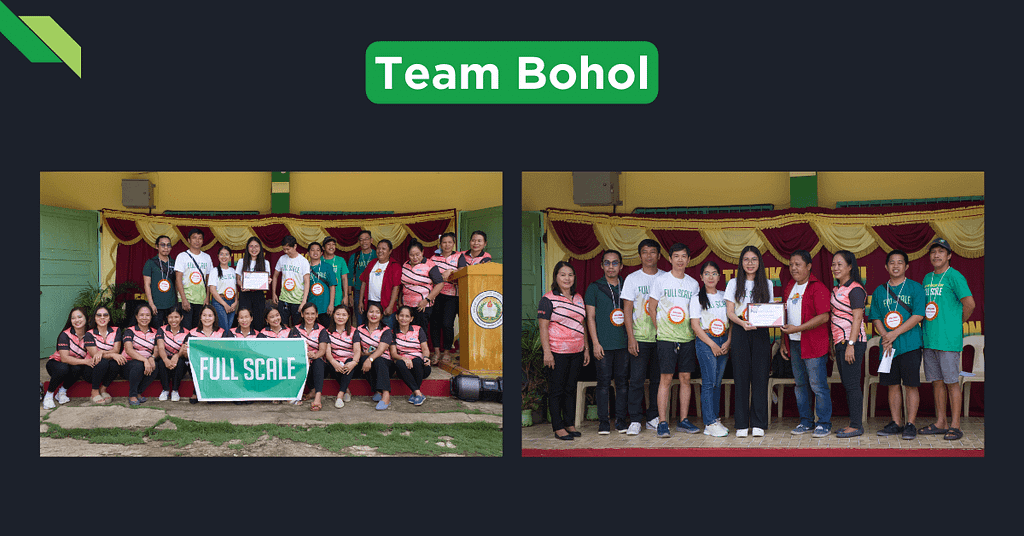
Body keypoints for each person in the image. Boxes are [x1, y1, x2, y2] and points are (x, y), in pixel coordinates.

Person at [918, 237, 975, 441]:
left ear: (949, 255)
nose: (936, 255)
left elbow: (969, 303)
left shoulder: (955, 276)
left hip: (948, 340)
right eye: (933, 252)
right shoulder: (927, 278)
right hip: (929, 339)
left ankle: (955, 425)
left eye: (941, 252)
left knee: (952, 382)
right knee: (937, 382)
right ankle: (941, 422)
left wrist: (954, 323)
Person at [868, 249, 927, 440]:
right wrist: (885, 336)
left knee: (910, 385)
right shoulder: (879, 291)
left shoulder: (915, 288)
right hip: (887, 347)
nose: (895, 266)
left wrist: (894, 333)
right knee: (892, 385)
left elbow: (918, 315)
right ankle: (896, 423)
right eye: (892, 262)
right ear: (886, 266)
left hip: (910, 344)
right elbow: (875, 317)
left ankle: (910, 424)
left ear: (906, 266)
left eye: (900, 262)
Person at [646, 243, 701, 438]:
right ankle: (662, 422)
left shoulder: (693, 284)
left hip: (687, 337)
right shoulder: (661, 281)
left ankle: (684, 420)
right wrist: (659, 328)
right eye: (676, 256)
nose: (679, 260)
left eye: (683, 256)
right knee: (666, 379)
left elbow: (695, 311)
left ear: (688, 260)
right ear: (669, 259)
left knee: (686, 379)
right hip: (666, 338)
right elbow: (651, 307)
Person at [780, 250, 833, 438]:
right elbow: (783, 316)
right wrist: (783, 341)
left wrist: (798, 329)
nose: (793, 268)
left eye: (798, 264)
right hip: (794, 344)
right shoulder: (789, 287)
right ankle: (806, 421)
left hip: (813, 344)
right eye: (791, 264)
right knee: (800, 385)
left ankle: (824, 423)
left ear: (809, 266)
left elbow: (824, 316)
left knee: (818, 385)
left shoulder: (817, 288)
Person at [725, 245, 774, 438]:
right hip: (740, 331)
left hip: (761, 332)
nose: (750, 263)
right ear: (741, 262)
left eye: (754, 259)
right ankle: (742, 424)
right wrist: (742, 323)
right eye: (746, 259)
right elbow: (730, 312)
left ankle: (759, 423)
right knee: (741, 377)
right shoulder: (733, 283)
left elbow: (769, 311)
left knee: (761, 377)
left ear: (759, 262)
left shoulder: (767, 283)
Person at [538, 261, 588, 441]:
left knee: (570, 389)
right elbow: (543, 328)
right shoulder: (548, 299)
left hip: (577, 351)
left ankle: (569, 423)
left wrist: (586, 349)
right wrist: (547, 352)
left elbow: (582, 324)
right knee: (556, 390)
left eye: (570, 275)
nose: (567, 278)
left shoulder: (579, 297)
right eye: (563, 274)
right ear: (556, 277)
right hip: (557, 351)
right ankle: (558, 427)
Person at [621, 239, 664, 436]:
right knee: (637, 380)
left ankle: (653, 418)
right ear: (640, 256)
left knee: (658, 380)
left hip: (662, 338)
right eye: (645, 252)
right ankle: (635, 420)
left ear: (659, 255)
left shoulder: (666, 278)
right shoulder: (632, 278)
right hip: (639, 337)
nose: (648, 255)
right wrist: (631, 337)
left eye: (652, 252)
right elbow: (627, 310)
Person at [585, 249, 629, 434]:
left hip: (625, 344)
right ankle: (604, 422)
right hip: (603, 344)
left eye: (615, 263)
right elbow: (590, 318)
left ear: (621, 265)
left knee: (622, 383)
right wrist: (595, 343)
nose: (611, 266)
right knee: (603, 383)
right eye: (607, 263)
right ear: (602, 265)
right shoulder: (594, 287)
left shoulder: (627, 286)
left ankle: (620, 421)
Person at [689, 260, 732, 437]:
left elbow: (732, 321)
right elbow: (695, 325)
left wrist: (728, 342)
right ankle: (709, 422)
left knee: (717, 381)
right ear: (701, 277)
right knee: (709, 381)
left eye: (714, 273)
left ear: (719, 276)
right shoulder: (696, 298)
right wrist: (712, 344)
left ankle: (714, 418)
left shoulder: (724, 296)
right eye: (707, 273)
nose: (710, 277)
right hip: (706, 340)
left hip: (723, 340)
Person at [829, 250, 868, 438]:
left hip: (853, 342)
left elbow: (858, 317)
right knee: (847, 383)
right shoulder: (837, 289)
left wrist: (851, 344)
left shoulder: (855, 289)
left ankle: (856, 425)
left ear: (850, 267)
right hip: (840, 342)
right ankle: (853, 423)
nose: (835, 268)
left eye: (840, 264)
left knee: (852, 384)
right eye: (833, 264)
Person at [182, 304, 234, 404]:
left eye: (210, 316)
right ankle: (197, 391)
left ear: (214, 318)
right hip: (197, 365)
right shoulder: (193, 333)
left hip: (216, 364)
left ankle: (211, 392)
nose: (207, 318)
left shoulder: (221, 333)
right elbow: (185, 353)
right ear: (200, 317)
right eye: (204, 315)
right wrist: (185, 351)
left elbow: (225, 352)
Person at [42, 307, 91, 409]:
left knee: (78, 368)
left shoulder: (90, 335)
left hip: (73, 365)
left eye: (79, 317)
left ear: (86, 318)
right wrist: (86, 361)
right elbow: (64, 359)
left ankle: (62, 392)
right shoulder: (65, 335)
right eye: (73, 318)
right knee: (63, 367)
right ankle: (49, 395)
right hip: (56, 364)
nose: (76, 320)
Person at [429, 232, 465, 362]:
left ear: (453, 243)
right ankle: (437, 352)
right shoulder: (433, 258)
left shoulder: (459, 256)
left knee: (447, 324)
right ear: (440, 244)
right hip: (436, 295)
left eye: (450, 242)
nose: (447, 245)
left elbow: (462, 272)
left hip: (452, 296)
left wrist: (451, 271)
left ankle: (447, 352)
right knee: (435, 324)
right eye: (444, 242)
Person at [390, 305, 433, 406]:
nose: (404, 319)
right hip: (404, 369)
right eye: (401, 316)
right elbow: (393, 354)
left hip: (421, 368)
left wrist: (426, 358)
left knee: (417, 361)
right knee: (399, 363)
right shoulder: (392, 333)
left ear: (411, 319)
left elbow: (425, 349)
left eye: (407, 316)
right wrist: (404, 358)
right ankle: (418, 393)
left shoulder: (418, 330)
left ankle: (416, 393)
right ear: (396, 317)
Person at [357, 302, 396, 410]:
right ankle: (377, 391)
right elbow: (356, 349)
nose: (374, 315)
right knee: (363, 359)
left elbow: (381, 349)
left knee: (378, 360)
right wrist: (366, 356)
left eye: (377, 312)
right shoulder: (359, 330)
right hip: (368, 362)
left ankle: (385, 395)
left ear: (381, 315)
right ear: (367, 313)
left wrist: (370, 358)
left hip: (386, 364)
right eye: (371, 312)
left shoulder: (386, 330)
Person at [400, 240, 445, 333]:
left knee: (420, 333)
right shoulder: (405, 265)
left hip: (422, 306)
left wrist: (427, 300)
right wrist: (400, 301)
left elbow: (440, 284)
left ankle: (422, 348)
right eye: (412, 255)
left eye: (417, 254)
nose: (415, 257)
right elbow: (404, 284)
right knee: (407, 332)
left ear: (422, 252)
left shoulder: (429, 264)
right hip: (407, 306)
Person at [82, 306, 124, 404]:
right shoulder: (89, 334)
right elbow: (95, 355)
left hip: (108, 370)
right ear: (95, 318)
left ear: (109, 318)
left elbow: (117, 350)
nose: (102, 318)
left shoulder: (116, 330)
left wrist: (102, 352)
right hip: (92, 370)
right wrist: (111, 354)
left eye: (105, 315)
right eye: (99, 315)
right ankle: (94, 391)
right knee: (102, 362)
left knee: (117, 362)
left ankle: (103, 389)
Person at [122, 304, 161, 407]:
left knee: (156, 366)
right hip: (128, 364)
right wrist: (145, 360)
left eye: (147, 315)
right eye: (141, 315)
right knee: (138, 365)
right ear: (136, 316)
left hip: (145, 362)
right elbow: (129, 350)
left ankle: (139, 392)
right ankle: (132, 395)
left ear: (151, 317)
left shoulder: (155, 332)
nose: (144, 318)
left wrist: (152, 358)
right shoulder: (129, 331)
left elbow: (156, 350)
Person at [174, 228, 213, 330]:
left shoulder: (207, 257)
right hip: (186, 299)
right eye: (194, 238)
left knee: (198, 329)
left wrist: (207, 297)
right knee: (185, 328)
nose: (197, 241)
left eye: (200, 238)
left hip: (201, 300)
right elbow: (178, 279)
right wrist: (183, 299)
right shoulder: (182, 256)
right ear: (189, 240)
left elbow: (209, 280)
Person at [359, 238, 402, 330]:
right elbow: (363, 282)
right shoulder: (372, 263)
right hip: (371, 303)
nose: (380, 251)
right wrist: (360, 302)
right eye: (378, 248)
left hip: (385, 304)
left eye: (384, 249)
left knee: (387, 331)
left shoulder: (395, 266)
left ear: (390, 251)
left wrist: (390, 306)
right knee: (371, 330)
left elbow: (396, 287)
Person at [324, 305, 362, 408]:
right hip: (335, 362)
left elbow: (357, 350)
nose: (340, 317)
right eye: (338, 314)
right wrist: (334, 362)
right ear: (333, 315)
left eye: (344, 315)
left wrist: (354, 362)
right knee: (332, 364)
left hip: (350, 363)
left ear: (348, 316)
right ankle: (346, 390)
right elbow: (328, 353)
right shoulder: (327, 332)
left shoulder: (354, 331)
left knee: (348, 362)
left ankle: (340, 395)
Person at [294, 302, 329, 411]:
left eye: (312, 314)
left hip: (318, 364)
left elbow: (322, 350)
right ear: (302, 315)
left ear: (317, 315)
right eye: (307, 313)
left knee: (318, 361)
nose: (310, 316)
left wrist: (314, 355)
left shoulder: (322, 329)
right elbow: (292, 349)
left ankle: (318, 397)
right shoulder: (295, 329)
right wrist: (305, 356)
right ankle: (298, 395)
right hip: (302, 362)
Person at [272, 235, 311, 327]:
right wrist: (274, 293)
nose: (286, 252)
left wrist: (304, 301)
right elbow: (275, 276)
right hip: (284, 298)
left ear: (295, 246)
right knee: (283, 325)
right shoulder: (282, 259)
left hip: (298, 300)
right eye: (284, 249)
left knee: (297, 326)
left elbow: (307, 281)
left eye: (288, 249)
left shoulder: (303, 261)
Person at [236, 236, 271, 331]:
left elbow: (267, 279)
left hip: (258, 295)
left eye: (256, 246)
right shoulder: (241, 262)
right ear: (247, 248)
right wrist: (242, 286)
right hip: (245, 294)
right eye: (251, 246)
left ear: (260, 248)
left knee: (258, 320)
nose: (254, 249)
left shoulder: (265, 263)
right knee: (244, 318)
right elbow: (238, 279)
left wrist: (268, 281)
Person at [155, 305, 188, 402]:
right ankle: (165, 390)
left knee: (181, 362)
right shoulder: (161, 330)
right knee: (161, 362)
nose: (173, 320)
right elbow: (160, 347)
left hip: (178, 359)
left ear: (181, 318)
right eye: (170, 317)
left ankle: (175, 390)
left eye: (176, 317)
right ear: (167, 318)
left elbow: (183, 349)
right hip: (165, 358)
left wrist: (177, 356)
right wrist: (165, 360)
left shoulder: (187, 332)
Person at [142, 235, 177, 327]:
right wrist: (151, 304)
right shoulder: (150, 262)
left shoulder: (175, 263)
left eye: (168, 245)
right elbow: (147, 284)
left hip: (171, 304)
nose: (166, 248)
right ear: (157, 246)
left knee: (171, 330)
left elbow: (178, 283)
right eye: (163, 245)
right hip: (156, 305)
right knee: (156, 331)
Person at [348, 230, 377, 327]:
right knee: (360, 319)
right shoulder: (355, 256)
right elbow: (350, 277)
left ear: (371, 240)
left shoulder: (377, 255)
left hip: (374, 291)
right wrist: (349, 294)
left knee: (374, 318)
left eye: (366, 239)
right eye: (361, 240)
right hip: (358, 290)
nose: (364, 242)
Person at [307, 241, 338, 327]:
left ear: (321, 253)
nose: (315, 252)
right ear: (308, 253)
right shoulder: (305, 267)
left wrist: (331, 304)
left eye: (318, 250)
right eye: (312, 250)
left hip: (325, 305)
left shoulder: (327, 267)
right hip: (310, 305)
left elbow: (332, 286)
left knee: (326, 330)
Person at [208, 245, 238, 330]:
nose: (224, 257)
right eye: (221, 254)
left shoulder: (233, 271)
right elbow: (212, 290)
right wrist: (224, 304)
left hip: (232, 302)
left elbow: (235, 288)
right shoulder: (214, 271)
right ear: (218, 256)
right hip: (219, 302)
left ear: (230, 257)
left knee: (229, 327)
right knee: (223, 328)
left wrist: (235, 302)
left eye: (226, 254)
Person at [321, 237, 351, 310]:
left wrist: (346, 296)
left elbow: (344, 279)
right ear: (323, 248)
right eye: (328, 244)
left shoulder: (340, 260)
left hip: (337, 297)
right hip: (322, 297)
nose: (331, 247)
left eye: (333, 244)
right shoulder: (319, 260)